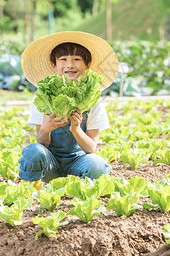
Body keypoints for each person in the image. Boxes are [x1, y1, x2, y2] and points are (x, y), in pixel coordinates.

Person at [18, 31, 119, 189]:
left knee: (97, 164)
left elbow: (91, 148)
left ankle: (80, 188)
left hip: (78, 163)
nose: (70, 65)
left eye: (77, 59)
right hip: (50, 165)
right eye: (63, 59)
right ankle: (30, 190)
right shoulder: (44, 96)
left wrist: (76, 129)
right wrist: (46, 129)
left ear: (87, 65)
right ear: (54, 65)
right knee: (33, 151)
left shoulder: (93, 100)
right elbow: (41, 143)